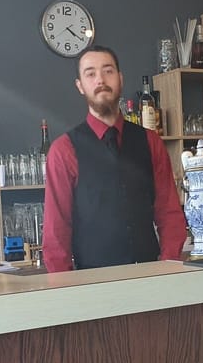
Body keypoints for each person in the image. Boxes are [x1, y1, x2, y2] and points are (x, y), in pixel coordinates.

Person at [42, 45, 186, 272]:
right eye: (90, 73)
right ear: (80, 86)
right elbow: (56, 231)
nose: (100, 79)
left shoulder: (151, 142)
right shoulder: (63, 150)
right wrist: (65, 286)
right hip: (92, 280)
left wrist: (169, 268)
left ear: (120, 78)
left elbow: (169, 213)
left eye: (108, 71)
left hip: (149, 276)